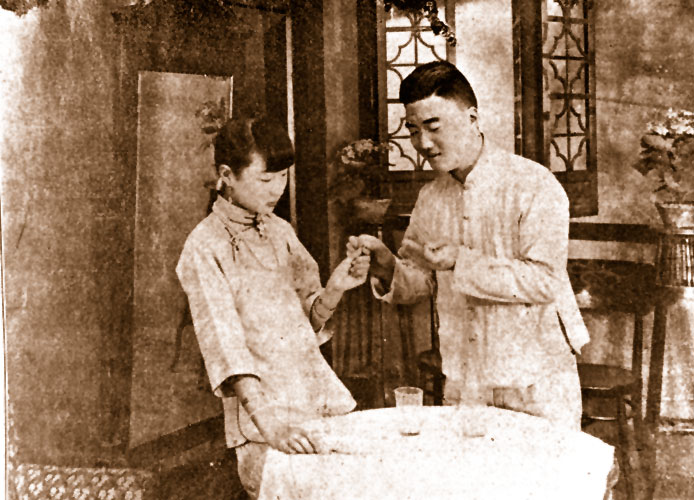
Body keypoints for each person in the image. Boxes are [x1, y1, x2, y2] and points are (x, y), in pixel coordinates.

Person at [350, 61, 590, 430]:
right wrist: (386, 265)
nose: (423, 143)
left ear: (472, 118)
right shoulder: (431, 197)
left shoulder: (533, 184)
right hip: (466, 377)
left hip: (536, 379)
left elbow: (544, 281)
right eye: (413, 130)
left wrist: (460, 261)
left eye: (433, 126)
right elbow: (420, 282)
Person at [176, 117, 370, 498]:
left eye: (282, 177)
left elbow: (307, 322)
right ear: (226, 175)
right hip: (264, 424)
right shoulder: (204, 246)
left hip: (318, 401)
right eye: (265, 179)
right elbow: (226, 349)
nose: (277, 189)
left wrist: (335, 289)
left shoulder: (279, 230)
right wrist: (272, 427)